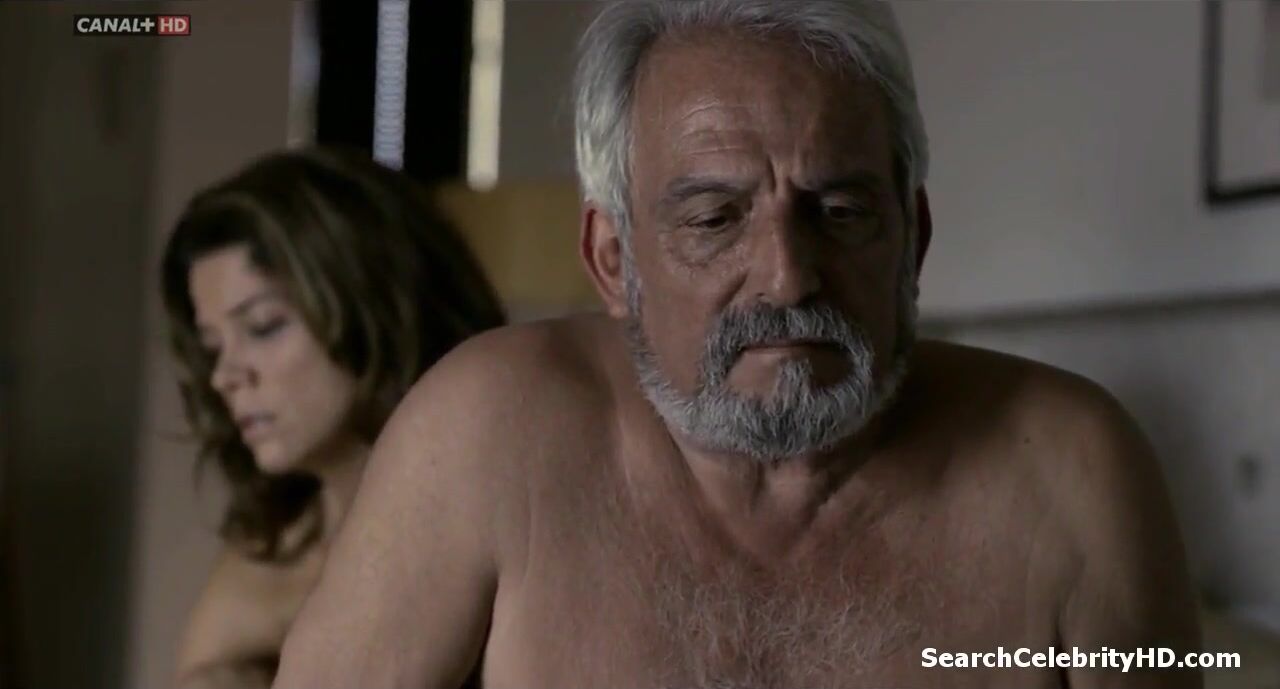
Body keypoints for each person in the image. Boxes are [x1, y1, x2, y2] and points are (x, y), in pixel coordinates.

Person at [273, 2, 1203, 687]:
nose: (789, 278)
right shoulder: (485, 434)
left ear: (912, 241)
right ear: (613, 260)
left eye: (841, 212)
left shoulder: (1075, 472)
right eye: (715, 219)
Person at [162, 146, 505, 689]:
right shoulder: (265, 559)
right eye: (213, 346)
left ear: (374, 305)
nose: (225, 375)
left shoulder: (505, 523)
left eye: (263, 326)